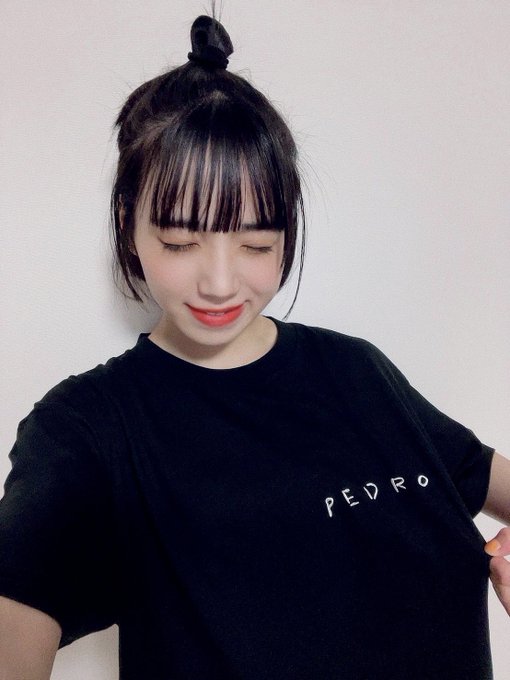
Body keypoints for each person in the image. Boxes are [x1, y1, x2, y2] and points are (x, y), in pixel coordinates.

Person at [0, 12, 509, 680]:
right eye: (181, 242)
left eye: (256, 244)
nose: (219, 282)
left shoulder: (356, 370)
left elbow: (486, 479)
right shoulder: (86, 430)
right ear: (128, 227)